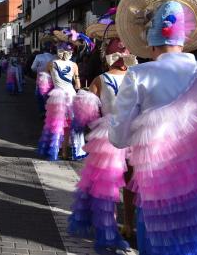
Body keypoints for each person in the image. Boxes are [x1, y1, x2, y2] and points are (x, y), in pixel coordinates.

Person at [107, 0, 197, 255]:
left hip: (156, 186)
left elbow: (118, 137)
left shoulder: (138, 75)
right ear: (187, 35)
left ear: (147, 38)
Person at [68, 20, 137, 254]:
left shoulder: (121, 77)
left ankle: (119, 226)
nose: (122, 52)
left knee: (120, 185)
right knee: (119, 185)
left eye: (124, 48)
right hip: (123, 134)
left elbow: (87, 113)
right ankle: (119, 227)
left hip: (122, 134)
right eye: (119, 47)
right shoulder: (118, 78)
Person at [37, 30, 92, 161]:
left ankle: (55, 150)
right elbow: (78, 85)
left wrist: (46, 94)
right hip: (71, 96)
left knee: (55, 124)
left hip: (57, 96)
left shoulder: (51, 64)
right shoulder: (74, 65)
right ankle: (68, 152)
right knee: (70, 124)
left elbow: (44, 83)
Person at [31, 39, 56, 115]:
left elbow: (33, 68)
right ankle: (49, 111)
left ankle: (42, 111)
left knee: (40, 96)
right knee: (50, 96)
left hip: (41, 79)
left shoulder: (38, 56)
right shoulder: (54, 57)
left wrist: (39, 71)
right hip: (52, 80)